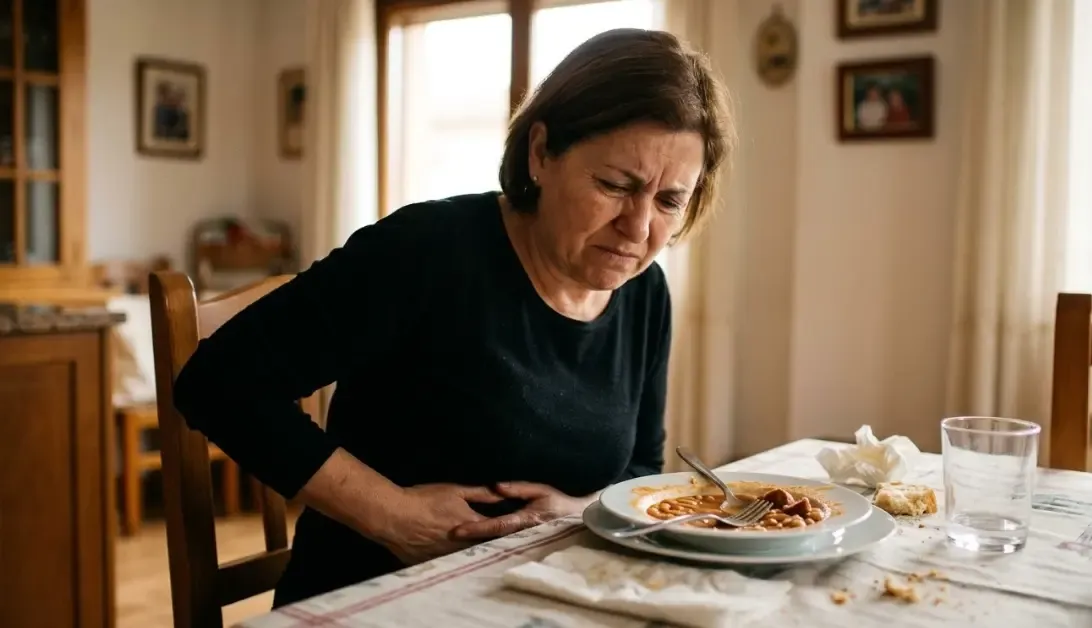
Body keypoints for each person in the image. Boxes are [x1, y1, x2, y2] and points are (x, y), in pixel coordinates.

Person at [172, 27, 734, 608]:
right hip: (373, 599)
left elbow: (641, 465)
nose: (640, 229)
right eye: (615, 185)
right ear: (541, 154)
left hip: (542, 599)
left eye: (671, 201)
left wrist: (581, 511)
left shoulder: (645, 293)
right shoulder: (428, 251)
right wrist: (392, 515)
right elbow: (220, 381)